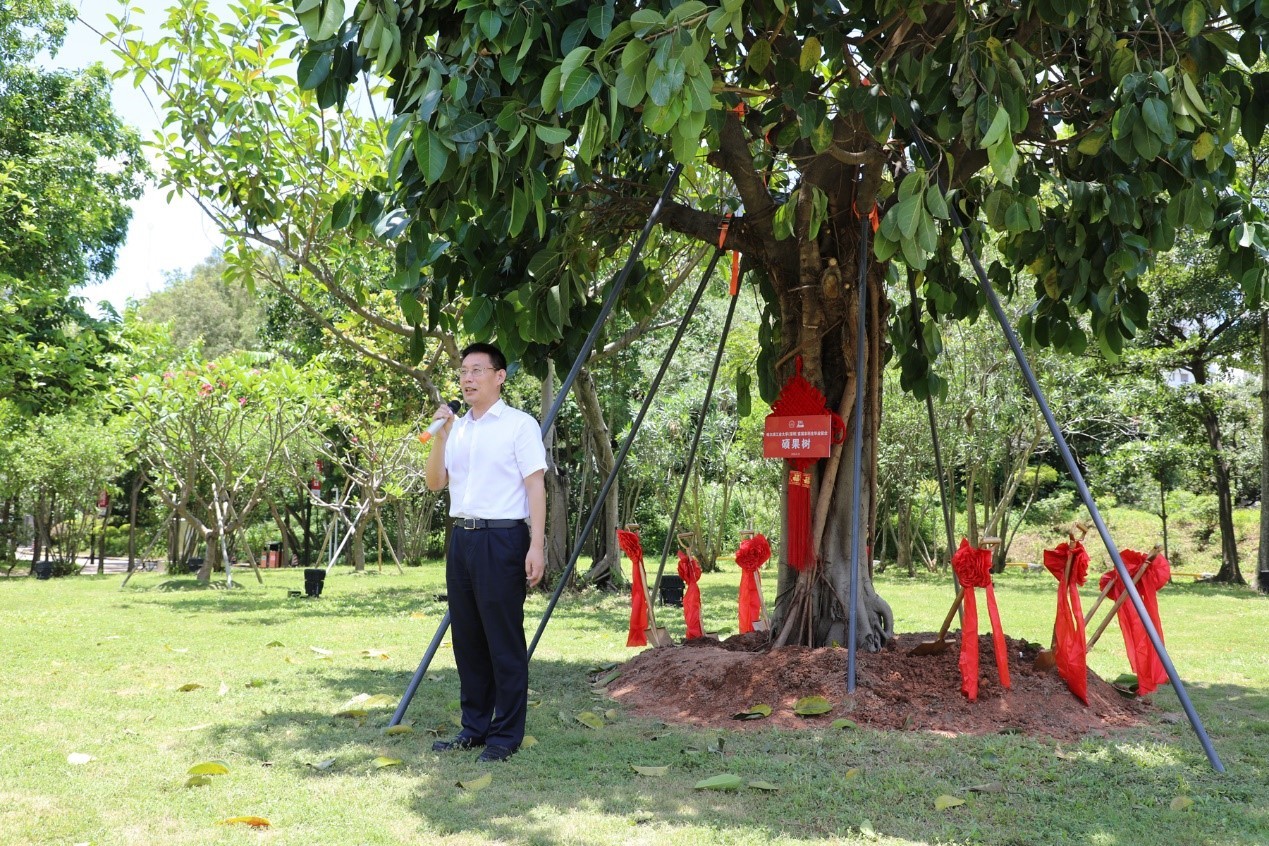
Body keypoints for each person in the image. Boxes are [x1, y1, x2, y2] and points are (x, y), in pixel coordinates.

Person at [425, 342, 547, 763]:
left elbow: (535, 486)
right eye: (463, 371)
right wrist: (440, 435)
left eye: (477, 370)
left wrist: (536, 545)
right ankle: (474, 728)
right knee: (468, 639)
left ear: (499, 376)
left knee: (503, 639)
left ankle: (505, 735)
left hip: (503, 538)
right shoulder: (458, 429)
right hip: (462, 538)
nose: (468, 378)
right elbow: (435, 482)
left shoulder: (519, 425)